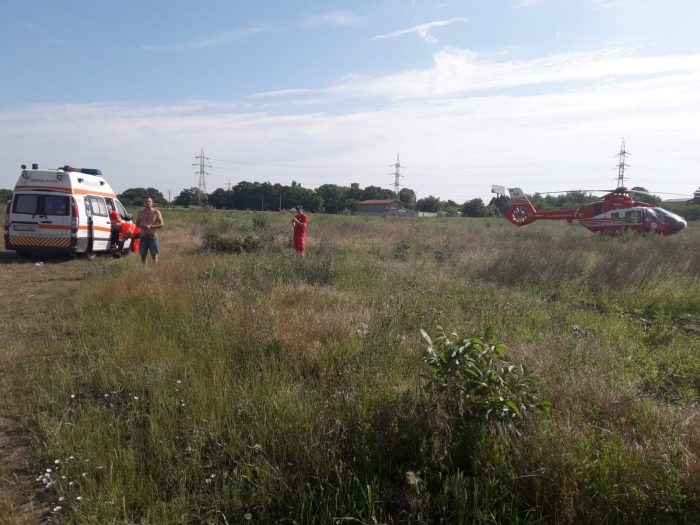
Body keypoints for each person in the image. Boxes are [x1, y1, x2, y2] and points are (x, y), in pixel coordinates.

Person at [135, 196, 164, 268]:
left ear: (152, 202)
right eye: (146, 201)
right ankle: (144, 269)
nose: (147, 203)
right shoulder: (141, 212)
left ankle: (155, 269)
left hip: (152, 237)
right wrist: (142, 226)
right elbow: (137, 224)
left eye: (149, 201)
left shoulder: (156, 212)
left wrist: (150, 227)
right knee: (143, 254)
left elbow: (162, 224)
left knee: (154, 255)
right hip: (143, 236)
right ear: (144, 203)